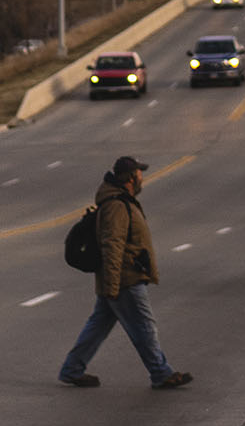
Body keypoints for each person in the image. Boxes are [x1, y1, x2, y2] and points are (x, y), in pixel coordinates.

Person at [59, 154, 190, 390]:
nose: (142, 178)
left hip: (120, 278)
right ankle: (161, 373)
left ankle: (72, 369)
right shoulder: (117, 206)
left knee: (98, 326)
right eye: (139, 174)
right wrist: (112, 284)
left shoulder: (120, 202)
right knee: (144, 326)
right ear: (130, 178)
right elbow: (113, 244)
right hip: (124, 279)